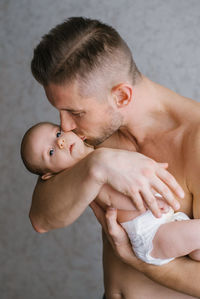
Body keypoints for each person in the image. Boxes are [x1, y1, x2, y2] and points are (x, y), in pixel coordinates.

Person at [29, 17, 200, 298]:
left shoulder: (195, 140)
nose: (66, 126)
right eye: (61, 112)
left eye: (75, 112)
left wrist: (142, 264)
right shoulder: (91, 135)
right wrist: (100, 164)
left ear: (121, 96)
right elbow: (41, 218)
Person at [21, 121, 200, 266]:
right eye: (51, 152)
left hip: (165, 222)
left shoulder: (101, 149)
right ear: (50, 175)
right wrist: (148, 202)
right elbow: (116, 199)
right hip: (152, 235)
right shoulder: (89, 179)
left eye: (58, 134)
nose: (60, 143)